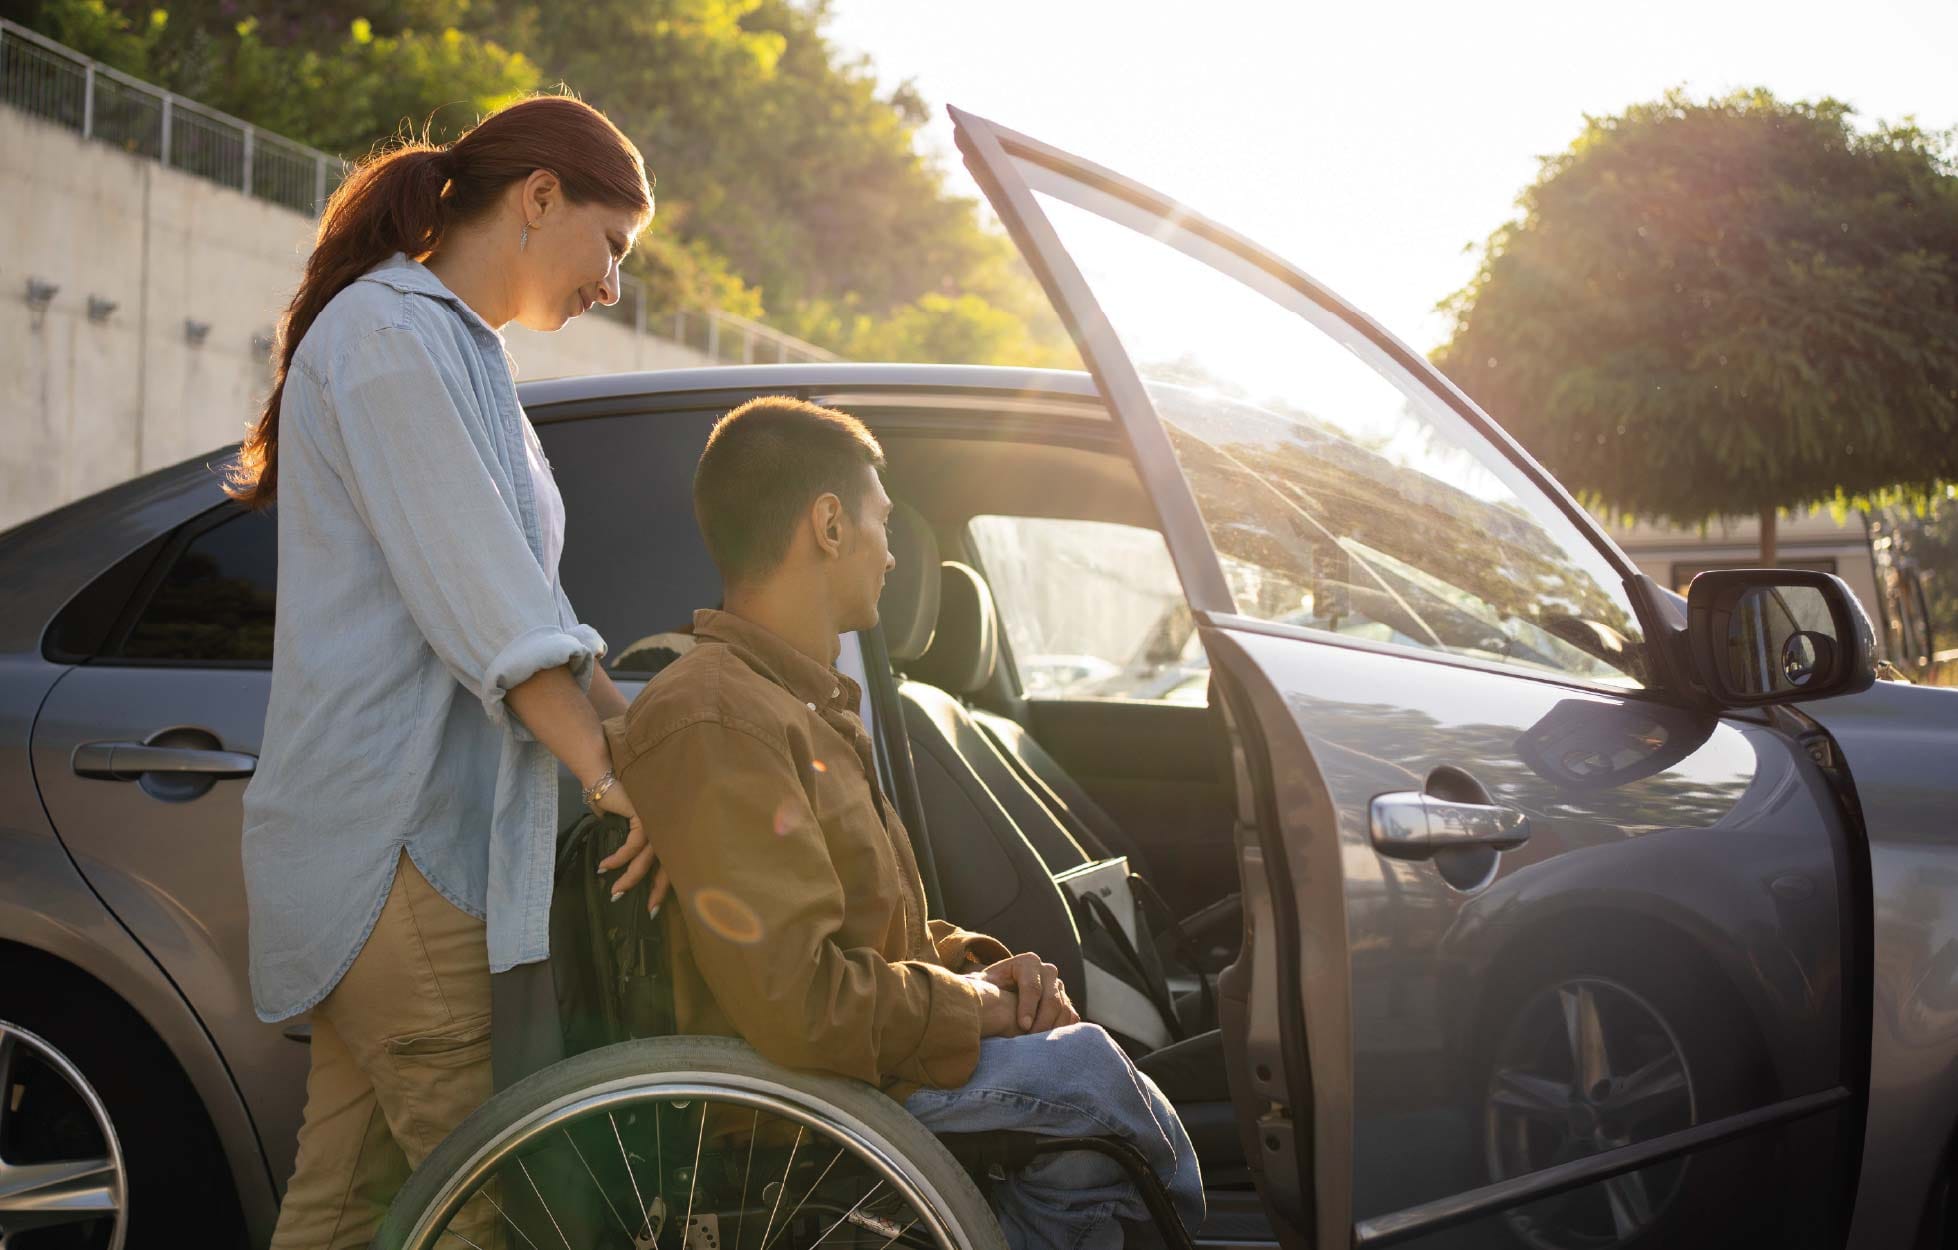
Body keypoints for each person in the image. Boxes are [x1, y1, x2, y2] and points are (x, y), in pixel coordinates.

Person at [602, 396, 1205, 1250]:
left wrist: (986, 975)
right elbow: (799, 1005)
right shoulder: (719, 717)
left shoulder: (797, 705)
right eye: (883, 523)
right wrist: (977, 1011)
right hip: (797, 1102)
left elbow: (873, 938)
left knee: (1079, 1055)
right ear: (829, 526)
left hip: (862, 1064)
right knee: (1088, 1081)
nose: (892, 554)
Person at [228, 94, 662, 1248]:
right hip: (399, 853)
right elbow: (491, 612)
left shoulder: (455, 347)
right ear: (539, 197)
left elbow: (535, 605)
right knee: (484, 1213)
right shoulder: (388, 338)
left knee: (340, 1207)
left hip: (397, 857)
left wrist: (636, 729)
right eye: (612, 245)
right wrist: (614, 783)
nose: (611, 286)